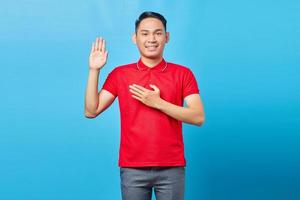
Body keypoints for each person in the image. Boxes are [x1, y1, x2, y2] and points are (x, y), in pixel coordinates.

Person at [84, 11, 205, 200]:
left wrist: (159, 103)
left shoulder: (183, 73)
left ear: (167, 37)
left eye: (158, 33)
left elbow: (198, 117)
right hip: (132, 168)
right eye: (145, 33)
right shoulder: (120, 74)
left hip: (171, 167)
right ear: (135, 38)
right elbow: (91, 111)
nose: (151, 39)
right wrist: (94, 70)